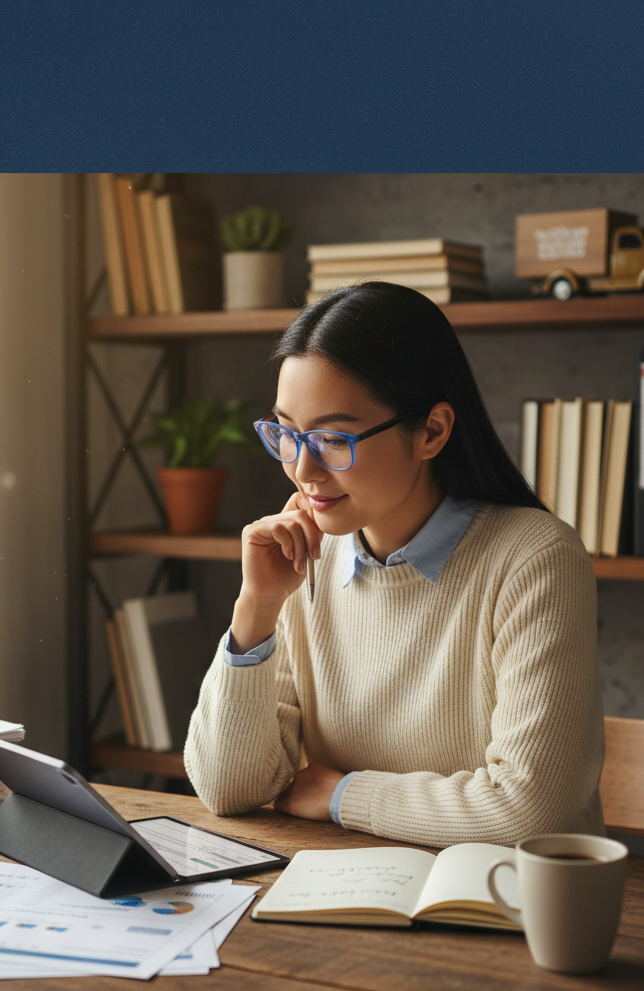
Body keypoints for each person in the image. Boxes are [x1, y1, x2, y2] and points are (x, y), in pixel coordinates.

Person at [183, 282, 605, 848]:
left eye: (333, 438)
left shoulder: (534, 558)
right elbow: (228, 787)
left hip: (500, 906)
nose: (303, 470)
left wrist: (342, 795)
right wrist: (257, 607)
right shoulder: (306, 555)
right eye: (287, 433)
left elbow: (528, 812)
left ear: (431, 430)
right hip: (345, 892)